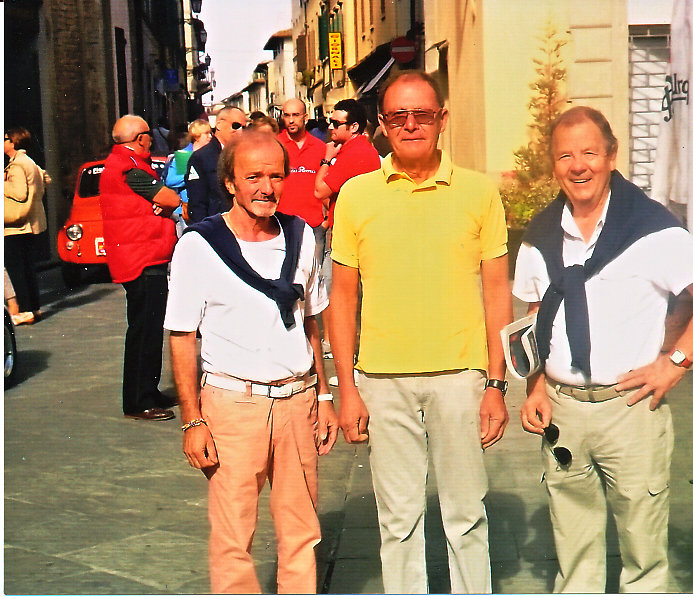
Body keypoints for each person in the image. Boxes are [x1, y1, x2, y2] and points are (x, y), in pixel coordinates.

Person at [513, 106, 693, 593]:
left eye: (590, 153)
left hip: (630, 410)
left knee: (643, 560)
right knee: (574, 562)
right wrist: (534, 388)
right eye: (565, 155)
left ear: (611, 156)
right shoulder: (538, 236)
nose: (578, 166)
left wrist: (675, 363)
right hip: (564, 414)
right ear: (554, 165)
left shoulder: (650, 227)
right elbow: (536, 318)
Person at [328, 71, 513, 593]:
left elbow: (499, 294)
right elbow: (342, 298)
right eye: (399, 117)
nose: (412, 126)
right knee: (398, 521)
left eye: (423, 115)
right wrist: (347, 389)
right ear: (382, 126)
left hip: (460, 376)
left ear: (442, 121)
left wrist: (496, 386)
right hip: (382, 382)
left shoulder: (478, 192)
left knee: (466, 517)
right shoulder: (355, 196)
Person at [165, 129, 338, 593]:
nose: (267, 187)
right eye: (254, 176)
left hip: (298, 401)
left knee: (302, 533)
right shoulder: (198, 246)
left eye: (276, 176)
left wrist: (324, 395)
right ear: (230, 183)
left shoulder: (304, 237)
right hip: (232, 406)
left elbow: (311, 320)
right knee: (232, 537)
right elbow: (181, 336)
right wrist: (192, 421)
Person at [99, 115, 181, 421]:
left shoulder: (123, 163)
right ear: (140, 139)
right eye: (148, 135)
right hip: (143, 258)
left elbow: (163, 199)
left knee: (145, 329)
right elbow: (170, 197)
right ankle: (139, 400)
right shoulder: (130, 167)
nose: (152, 140)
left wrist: (161, 202)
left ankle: (148, 390)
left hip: (142, 256)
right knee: (145, 331)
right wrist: (163, 202)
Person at [314, 98, 381, 233]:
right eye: (330, 122)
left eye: (336, 123)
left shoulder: (354, 153)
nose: (330, 127)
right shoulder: (362, 148)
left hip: (350, 232)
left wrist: (327, 159)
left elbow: (319, 191)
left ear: (354, 127)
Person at [4, 127, 49, 325]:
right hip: (32, 223)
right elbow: (46, 179)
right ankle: (34, 309)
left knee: (16, 269)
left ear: (13, 142)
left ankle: (25, 311)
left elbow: (19, 193)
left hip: (17, 225)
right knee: (28, 268)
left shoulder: (16, 165)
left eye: (5, 139)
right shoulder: (30, 162)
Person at [277, 98, 328, 264]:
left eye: (296, 115)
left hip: (314, 224)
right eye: (287, 115)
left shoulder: (320, 148)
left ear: (305, 117)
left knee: (315, 275)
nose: (291, 120)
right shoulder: (275, 145)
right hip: (283, 224)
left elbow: (329, 185)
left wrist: (328, 220)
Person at [185, 106, 247, 222]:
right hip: (216, 227)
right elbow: (197, 204)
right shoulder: (201, 158)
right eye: (236, 126)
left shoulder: (244, 155)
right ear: (218, 125)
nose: (240, 131)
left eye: (244, 127)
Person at [164, 119, 213, 232]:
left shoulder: (210, 154)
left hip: (207, 207)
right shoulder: (184, 156)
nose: (210, 136)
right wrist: (193, 172)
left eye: (210, 133)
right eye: (206, 133)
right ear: (196, 136)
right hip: (187, 210)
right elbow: (170, 181)